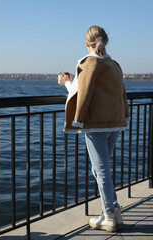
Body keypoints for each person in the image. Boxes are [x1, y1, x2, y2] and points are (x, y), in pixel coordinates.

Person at [58, 25, 129, 233]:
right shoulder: (114, 64)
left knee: (101, 170)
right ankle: (115, 211)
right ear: (105, 42)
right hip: (114, 123)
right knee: (101, 169)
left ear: (86, 43)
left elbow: (82, 93)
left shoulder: (88, 62)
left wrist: (66, 82)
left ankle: (108, 216)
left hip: (96, 125)